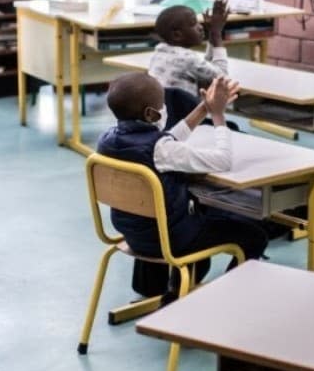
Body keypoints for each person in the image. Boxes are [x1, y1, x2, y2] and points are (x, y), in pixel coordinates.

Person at [96, 72, 268, 298]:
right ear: (150, 114)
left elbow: (168, 140)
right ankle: (224, 297)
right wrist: (218, 116)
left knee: (201, 229)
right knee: (254, 235)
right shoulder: (160, 149)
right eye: (162, 104)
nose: (166, 107)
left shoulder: (107, 140)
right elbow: (222, 160)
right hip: (170, 238)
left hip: (133, 234)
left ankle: (173, 293)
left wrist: (204, 108)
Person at [149, 0, 230, 96]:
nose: (200, 27)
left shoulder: (159, 52)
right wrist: (217, 34)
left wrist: (212, 34)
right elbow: (222, 79)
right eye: (193, 23)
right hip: (185, 111)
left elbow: (206, 70)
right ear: (177, 35)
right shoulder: (188, 58)